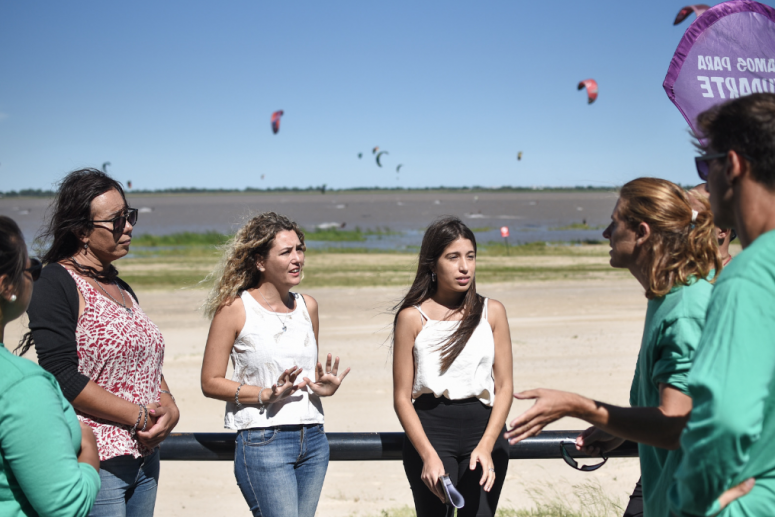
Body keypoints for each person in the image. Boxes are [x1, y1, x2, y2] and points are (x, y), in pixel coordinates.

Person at [504, 178, 722, 517]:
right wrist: (620, 430)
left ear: (642, 233)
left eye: (615, 222)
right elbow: (687, 409)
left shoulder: (685, 310)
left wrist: (578, 406)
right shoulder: (666, 297)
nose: (606, 233)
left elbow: (675, 424)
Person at [17, 169, 179, 516]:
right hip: (97, 460)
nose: (129, 227)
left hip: (145, 459)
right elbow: (62, 374)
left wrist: (169, 407)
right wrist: (138, 416)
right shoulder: (55, 283)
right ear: (81, 231)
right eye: (117, 220)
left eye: (129, 216)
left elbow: (146, 363)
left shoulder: (120, 286)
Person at [200, 212, 350, 517]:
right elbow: (210, 381)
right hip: (263, 439)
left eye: (300, 249)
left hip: (314, 439)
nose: (297, 259)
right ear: (259, 261)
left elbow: (308, 376)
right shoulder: (235, 309)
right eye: (286, 252)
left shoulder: (308, 306)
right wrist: (265, 394)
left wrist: (322, 388)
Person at [669, 93, 775, 516]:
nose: (704, 183)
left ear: (732, 166)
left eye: (704, 165)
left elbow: (725, 421)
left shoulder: (749, 275)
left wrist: (689, 505)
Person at [392, 217, 513, 517]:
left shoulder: (492, 312)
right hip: (431, 431)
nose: (465, 267)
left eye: (470, 257)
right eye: (453, 257)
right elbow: (401, 397)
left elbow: (506, 386)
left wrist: (486, 445)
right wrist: (428, 456)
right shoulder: (411, 317)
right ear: (432, 265)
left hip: (485, 429)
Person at [0, 215, 101, 516]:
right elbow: (66, 507)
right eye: (30, 267)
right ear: (7, 286)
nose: (34, 273)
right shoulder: (20, 383)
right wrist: (89, 452)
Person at [687, 183, 735, 266]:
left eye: (693, 218)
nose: (681, 224)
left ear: (722, 231)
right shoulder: (675, 272)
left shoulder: (737, 277)